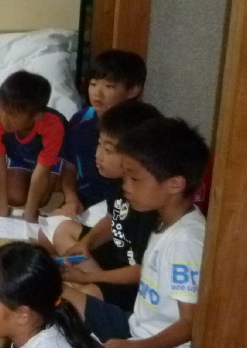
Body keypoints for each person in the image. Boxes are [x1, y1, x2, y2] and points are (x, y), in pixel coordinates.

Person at [80, 118, 209, 348]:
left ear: (175, 184)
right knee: (57, 300)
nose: (125, 187)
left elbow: (191, 324)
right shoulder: (163, 218)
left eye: (135, 179)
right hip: (135, 328)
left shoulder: (186, 241)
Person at [48, 102, 163, 313]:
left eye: (108, 149)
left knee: (74, 302)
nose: (98, 154)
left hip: (134, 282)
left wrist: (90, 277)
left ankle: (93, 293)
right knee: (64, 229)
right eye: (99, 144)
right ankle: (88, 289)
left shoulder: (148, 204)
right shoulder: (118, 181)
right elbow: (112, 218)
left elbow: (143, 271)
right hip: (117, 257)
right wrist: (87, 242)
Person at [58, 50, 147, 217]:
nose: (97, 93)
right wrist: (71, 199)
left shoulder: (140, 129)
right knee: (52, 225)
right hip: (84, 200)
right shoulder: (80, 120)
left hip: (123, 206)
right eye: (93, 84)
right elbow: (69, 166)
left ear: (133, 90)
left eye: (109, 86)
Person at [0, 71, 66, 224]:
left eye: (12, 115)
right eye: (1, 107)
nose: (4, 118)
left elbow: (42, 171)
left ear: (36, 116)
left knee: (40, 201)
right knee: (14, 197)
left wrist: (30, 212)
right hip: (20, 158)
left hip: (47, 163)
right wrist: (2, 207)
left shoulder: (53, 126)